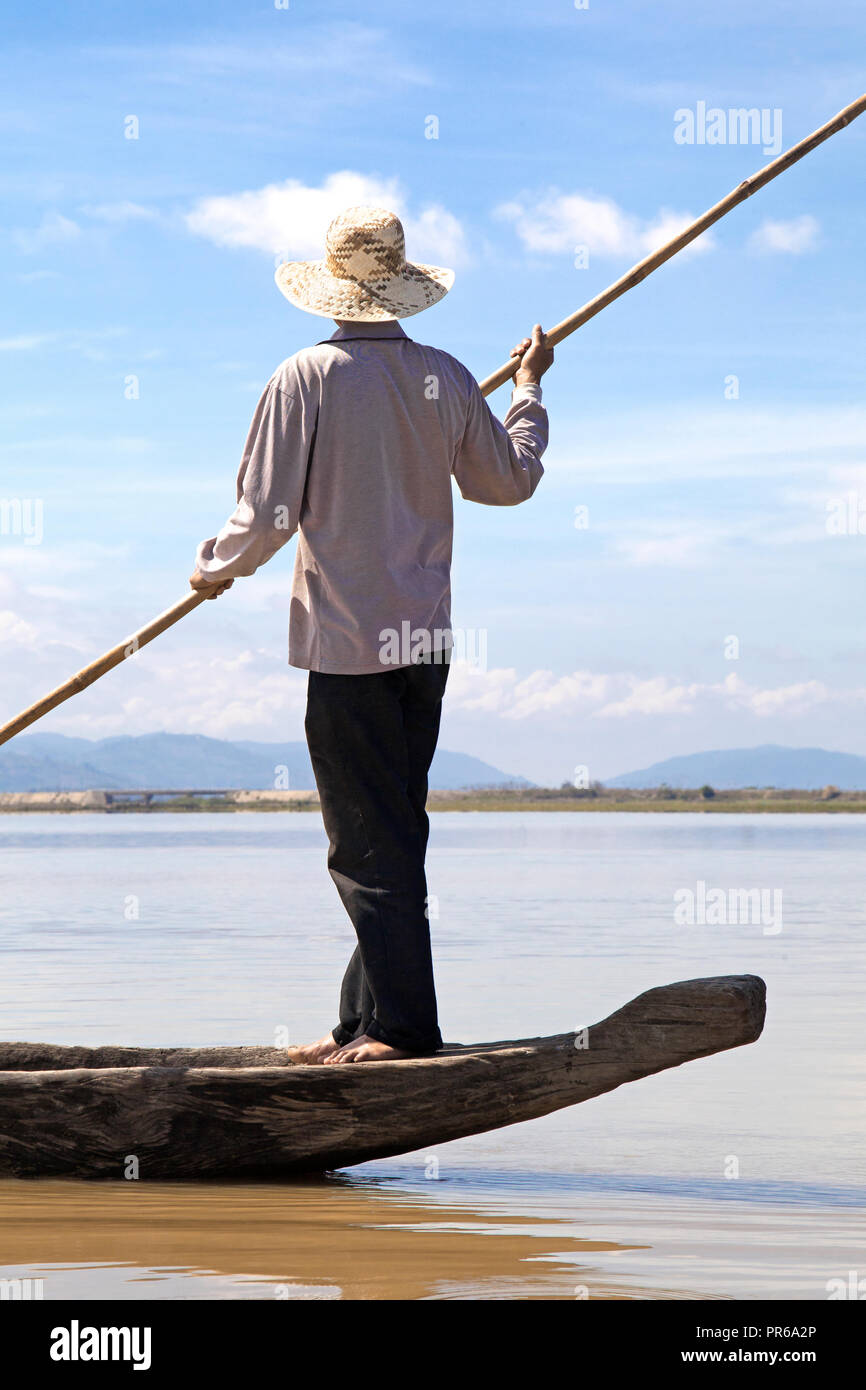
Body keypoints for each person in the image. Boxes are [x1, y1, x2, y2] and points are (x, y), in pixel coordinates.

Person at [190, 205, 553, 1063]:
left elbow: (267, 514)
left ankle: (404, 1030)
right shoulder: (449, 378)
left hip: (350, 649)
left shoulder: (306, 378)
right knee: (393, 832)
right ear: (399, 287)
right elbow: (510, 481)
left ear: (332, 288)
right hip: (421, 648)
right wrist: (531, 388)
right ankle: (362, 1019)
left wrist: (214, 567)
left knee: (365, 847)